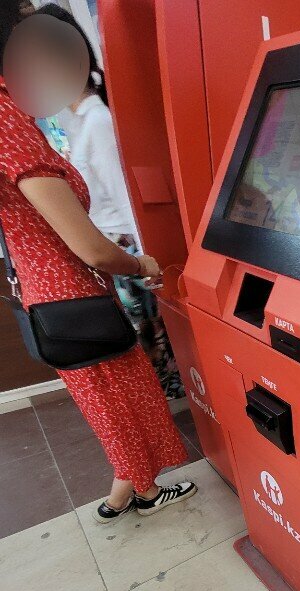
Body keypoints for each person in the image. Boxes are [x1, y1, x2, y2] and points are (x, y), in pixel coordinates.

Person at [0, 2, 196, 523]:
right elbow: (88, 247)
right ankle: (144, 491)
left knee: (108, 398)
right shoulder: (9, 121)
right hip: (75, 290)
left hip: (50, 293)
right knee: (121, 396)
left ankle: (123, 491)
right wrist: (139, 264)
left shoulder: (35, 119)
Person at [38, 3, 185, 399]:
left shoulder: (97, 122)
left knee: (149, 345)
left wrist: (148, 257)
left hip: (124, 250)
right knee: (145, 345)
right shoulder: (76, 124)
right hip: (112, 251)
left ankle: (168, 406)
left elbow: (125, 195)